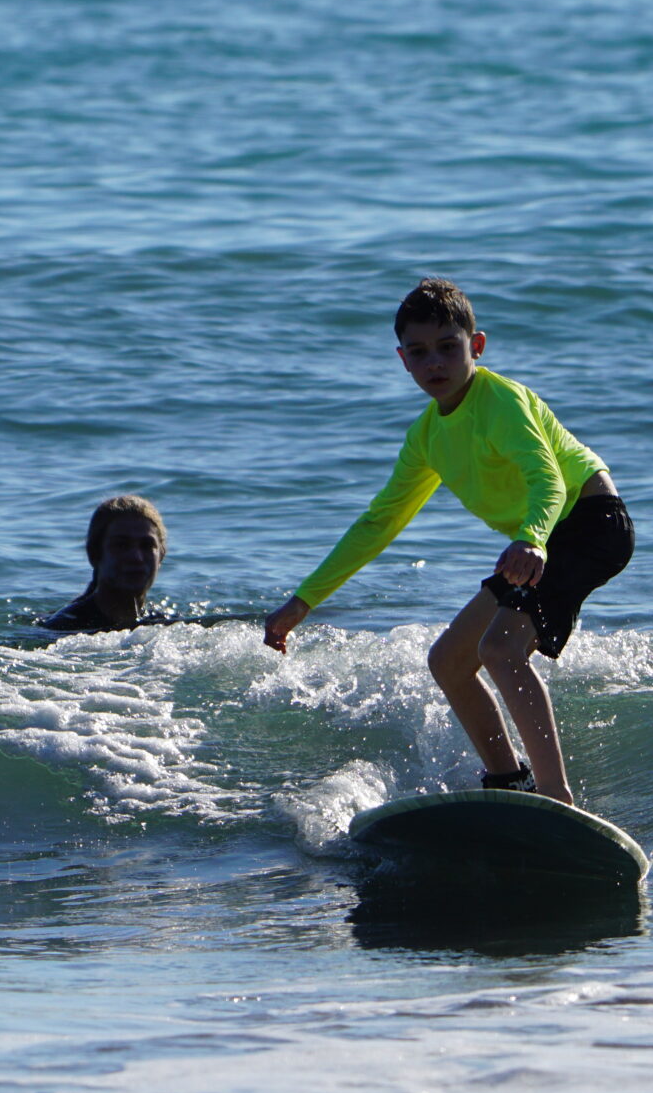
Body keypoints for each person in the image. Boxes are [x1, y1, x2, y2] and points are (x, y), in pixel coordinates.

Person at [263, 278, 633, 806]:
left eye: (447, 347)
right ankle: (511, 782)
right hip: (542, 538)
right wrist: (304, 600)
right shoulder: (427, 437)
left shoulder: (500, 401)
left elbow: (548, 478)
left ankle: (556, 798)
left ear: (475, 346)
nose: (434, 362)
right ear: (403, 360)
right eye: (418, 352)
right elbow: (379, 522)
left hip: (590, 521)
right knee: (449, 662)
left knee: (500, 649)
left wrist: (531, 539)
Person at [40, 495, 170, 633]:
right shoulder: (63, 628)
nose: (136, 557)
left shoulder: (166, 625)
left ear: (161, 556)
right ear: (94, 554)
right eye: (121, 545)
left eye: (147, 545)